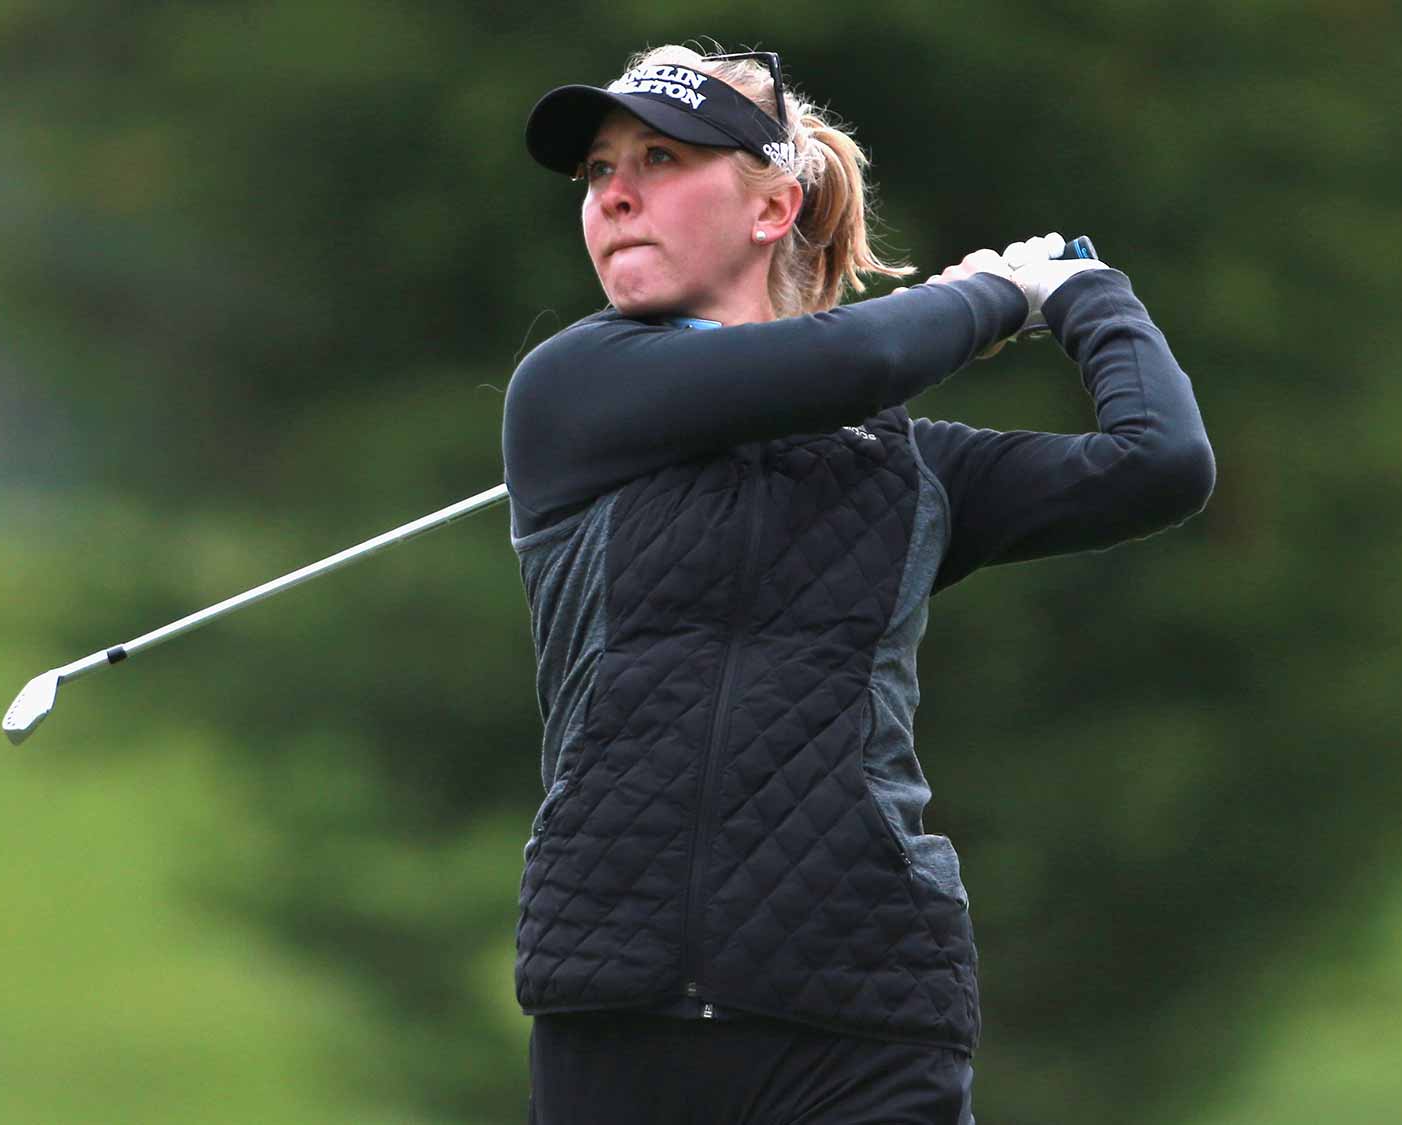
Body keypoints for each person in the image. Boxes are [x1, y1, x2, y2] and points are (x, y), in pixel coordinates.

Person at [501, 44, 1215, 1125]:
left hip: (864, 1006)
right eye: (597, 172)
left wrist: (1081, 294)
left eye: (657, 157)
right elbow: (844, 364)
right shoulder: (571, 389)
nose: (615, 194)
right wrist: (992, 293)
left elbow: (1157, 464)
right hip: (615, 1000)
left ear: (771, 208)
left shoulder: (913, 468)